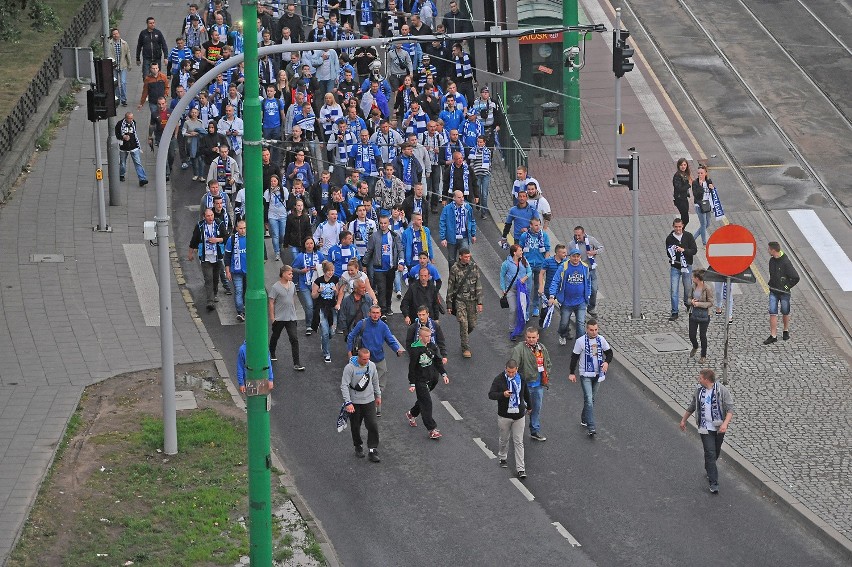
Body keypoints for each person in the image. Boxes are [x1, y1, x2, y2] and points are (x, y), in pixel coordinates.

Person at [679, 369, 735, 494]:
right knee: (710, 452)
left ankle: (709, 467)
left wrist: (725, 424)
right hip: (705, 428)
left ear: (706, 379)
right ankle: (714, 483)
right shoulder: (699, 391)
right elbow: (693, 406)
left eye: (700, 378)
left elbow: (730, 409)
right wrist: (683, 420)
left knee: (715, 452)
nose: (698, 380)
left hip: (719, 427)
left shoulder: (721, 390)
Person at [346, 305, 404, 415]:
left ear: (380, 314)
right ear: (369, 313)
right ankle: (365, 405)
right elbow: (351, 336)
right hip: (365, 361)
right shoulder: (362, 324)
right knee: (363, 383)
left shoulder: (383, 326)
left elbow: (390, 339)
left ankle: (375, 406)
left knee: (380, 385)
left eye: (377, 313)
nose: (375, 315)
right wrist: (349, 351)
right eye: (373, 312)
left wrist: (397, 349)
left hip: (379, 359)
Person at [568, 319, 613, 437]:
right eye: (591, 330)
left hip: (598, 374)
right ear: (587, 330)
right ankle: (591, 426)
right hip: (585, 375)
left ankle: (584, 418)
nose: (594, 332)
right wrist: (572, 373)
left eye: (596, 330)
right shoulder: (580, 341)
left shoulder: (601, 340)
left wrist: (607, 362)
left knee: (591, 400)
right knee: (588, 398)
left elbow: (609, 353)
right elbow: (574, 357)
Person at [488, 359, 531, 479]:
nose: (510, 374)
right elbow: (491, 394)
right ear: (505, 369)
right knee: (504, 439)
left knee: (518, 441)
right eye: (508, 372)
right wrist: (503, 394)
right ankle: (502, 457)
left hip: (519, 415)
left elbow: (525, 392)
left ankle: (521, 469)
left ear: (516, 369)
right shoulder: (499, 379)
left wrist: (530, 406)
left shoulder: (521, 378)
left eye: (513, 372)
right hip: (504, 415)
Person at [406, 326, 449, 439]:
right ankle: (432, 429)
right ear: (420, 337)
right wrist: (412, 383)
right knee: (427, 403)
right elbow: (412, 367)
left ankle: (411, 413)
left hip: (431, 378)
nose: (429, 338)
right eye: (426, 336)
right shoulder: (415, 349)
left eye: (430, 336)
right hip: (420, 380)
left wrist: (443, 374)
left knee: (422, 400)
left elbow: (437, 361)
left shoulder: (431, 345)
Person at [341, 348, 382, 462]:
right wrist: (348, 402)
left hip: (369, 400)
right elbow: (344, 385)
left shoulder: (371, 366)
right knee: (355, 426)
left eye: (368, 358)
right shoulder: (349, 368)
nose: (366, 361)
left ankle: (372, 449)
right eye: (364, 359)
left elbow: (375, 381)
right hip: (355, 402)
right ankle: (358, 446)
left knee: (373, 424)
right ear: (358, 357)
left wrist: (378, 395)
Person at [511, 327, 552, 442]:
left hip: (538, 385)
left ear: (538, 337)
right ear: (525, 337)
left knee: (536, 409)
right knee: (520, 409)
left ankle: (534, 431)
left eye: (533, 337)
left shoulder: (542, 348)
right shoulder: (519, 349)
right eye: (529, 337)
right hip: (525, 386)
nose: (531, 339)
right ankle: (515, 430)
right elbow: (513, 367)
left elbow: (548, 362)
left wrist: (547, 373)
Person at [361, 215, 405, 317]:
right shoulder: (374, 236)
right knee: (381, 289)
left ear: (388, 223)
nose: (383, 225)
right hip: (378, 268)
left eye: (385, 223)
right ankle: (383, 310)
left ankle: (388, 307)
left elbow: (400, 250)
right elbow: (369, 251)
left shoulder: (394, 236)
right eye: (381, 223)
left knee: (389, 288)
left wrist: (401, 262)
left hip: (390, 267)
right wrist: (364, 264)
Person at [548, 246, 591, 345]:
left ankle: (580, 342)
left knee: (580, 323)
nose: (576, 259)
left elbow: (588, 282)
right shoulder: (564, 266)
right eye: (573, 256)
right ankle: (562, 334)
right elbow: (555, 280)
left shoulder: (585, 267)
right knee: (564, 322)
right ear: (569, 257)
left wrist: (588, 295)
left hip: (580, 301)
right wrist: (552, 296)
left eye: (577, 256)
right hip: (566, 301)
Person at [188, 208, 228, 311]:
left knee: (215, 278)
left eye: (211, 215)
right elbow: (194, 239)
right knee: (208, 278)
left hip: (217, 256)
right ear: (204, 217)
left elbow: (226, 237)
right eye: (208, 216)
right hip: (205, 257)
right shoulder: (200, 226)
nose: (210, 218)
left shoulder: (219, 224)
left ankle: (214, 293)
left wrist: (217, 240)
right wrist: (190, 253)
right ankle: (209, 301)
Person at [446, 248, 482, 358]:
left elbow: (478, 285)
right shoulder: (455, 269)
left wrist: (480, 302)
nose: (468, 259)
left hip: (472, 301)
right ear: (460, 256)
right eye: (465, 257)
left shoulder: (474, 267)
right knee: (463, 323)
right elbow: (450, 286)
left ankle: (464, 334)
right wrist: (449, 304)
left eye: (469, 256)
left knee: (471, 325)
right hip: (460, 301)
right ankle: (465, 348)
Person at [268, 265, 306, 371]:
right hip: (280, 318)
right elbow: (271, 302)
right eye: (289, 273)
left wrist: (293, 311)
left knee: (294, 339)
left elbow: (292, 298)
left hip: (291, 318)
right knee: (275, 336)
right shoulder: (275, 287)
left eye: (292, 273)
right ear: (283, 274)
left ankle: (296, 363)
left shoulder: (292, 285)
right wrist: (272, 318)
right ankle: (272, 352)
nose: (291, 275)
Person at [765, 241, 800, 344]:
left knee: (785, 311)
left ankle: (785, 330)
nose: (767, 251)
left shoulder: (785, 262)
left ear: (773, 250)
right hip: (773, 291)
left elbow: (795, 277)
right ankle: (773, 335)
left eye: (769, 249)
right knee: (772, 312)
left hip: (784, 292)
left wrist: (786, 286)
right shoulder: (771, 261)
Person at [666, 217, 698, 321]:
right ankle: (674, 311)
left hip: (687, 266)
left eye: (680, 227)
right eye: (676, 227)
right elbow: (668, 253)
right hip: (675, 267)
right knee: (674, 290)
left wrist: (683, 250)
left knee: (688, 288)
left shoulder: (688, 236)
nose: (678, 229)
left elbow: (694, 250)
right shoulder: (670, 238)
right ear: (673, 227)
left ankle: (687, 303)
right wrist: (673, 252)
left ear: (683, 226)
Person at [292, 237, 324, 334]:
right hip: (304, 284)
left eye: (311, 243)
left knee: (315, 305)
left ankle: (315, 323)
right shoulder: (300, 256)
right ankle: (308, 325)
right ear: (304, 245)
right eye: (307, 244)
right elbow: (293, 268)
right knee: (309, 305)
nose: (310, 245)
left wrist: (318, 268)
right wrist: (301, 271)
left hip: (316, 284)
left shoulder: (319, 255)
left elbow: (325, 265)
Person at [519, 218, 550, 317]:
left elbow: (547, 250)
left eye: (539, 225)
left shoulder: (544, 235)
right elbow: (520, 250)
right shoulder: (524, 236)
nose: (538, 227)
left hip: (540, 265)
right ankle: (527, 309)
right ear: (531, 225)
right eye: (536, 225)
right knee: (528, 287)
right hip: (528, 265)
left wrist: (545, 264)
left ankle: (536, 307)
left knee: (538, 287)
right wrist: (523, 263)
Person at [500, 244, 531, 340]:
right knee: (513, 309)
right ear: (514, 252)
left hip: (521, 290)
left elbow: (529, 272)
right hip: (511, 290)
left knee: (521, 310)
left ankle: (519, 328)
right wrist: (503, 288)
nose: (522, 252)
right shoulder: (506, 264)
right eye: (520, 250)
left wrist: (524, 278)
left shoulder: (524, 260)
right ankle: (512, 330)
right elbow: (502, 275)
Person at [439, 190, 477, 266]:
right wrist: (443, 238)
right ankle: (452, 277)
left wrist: (473, 234)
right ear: (454, 198)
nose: (462, 199)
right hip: (451, 238)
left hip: (464, 237)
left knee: (465, 258)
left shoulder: (468, 207)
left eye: (462, 197)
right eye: (459, 197)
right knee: (451, 260)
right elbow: (442, 222)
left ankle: (464, 276)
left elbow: (472, 221)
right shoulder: (447, 209)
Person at [312, 260, 340, 363]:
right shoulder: (318, 281)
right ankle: (326, 353)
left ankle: (325, 342)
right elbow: (313, 295)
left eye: (332, 270)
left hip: (332, 307)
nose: (331, 272)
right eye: (329, 271)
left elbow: (337, 295)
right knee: (324, 332)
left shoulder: (336, 279)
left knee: (331, 332)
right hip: (322, 308)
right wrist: (319, 291)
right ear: (324, 271)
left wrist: (335, 290)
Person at [572, 226, 602, 317]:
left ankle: (591, 308)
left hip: (590, 269)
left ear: (584, 233)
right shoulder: (572, 244)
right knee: (579, 290)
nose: (577, 237)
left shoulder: (591, 240)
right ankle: (578, 309)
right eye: (575, 235)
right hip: (579, 269)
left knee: (593, 289)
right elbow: (568, 255)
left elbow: (601, 248)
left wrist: (594, 252)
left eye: (579, 235)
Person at [223, 220, 248, 321]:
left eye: (244, 228)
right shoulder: (232, 239)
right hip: (236, 271)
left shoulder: (250, 238)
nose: (242, 230)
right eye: (240, 228)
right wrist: (227, 271)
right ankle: (240, 312)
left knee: (246, 291)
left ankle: (245, 308)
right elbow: (227, 256)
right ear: (237, 229)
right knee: (238, 291)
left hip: (248, 271)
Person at [115, 112, 148, 186]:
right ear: (125, 118)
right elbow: (116, 134)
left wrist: (137, 145)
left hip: (133, 146)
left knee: (138, 163)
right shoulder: (120, 124)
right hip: (123, 147)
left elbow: (134, 133)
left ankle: (142, 179)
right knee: (123, 163)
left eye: (131, 118)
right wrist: (123, 137)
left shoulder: (133, 123)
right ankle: (121, 174)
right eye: (129, 118)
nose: (130, 120)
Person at [688, 270, 713, 364]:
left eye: (693, 277)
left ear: (697, 278)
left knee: (703, 335)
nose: (692, 278)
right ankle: (695, 346)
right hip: (693, 313)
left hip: (704, 315)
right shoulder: (693, 286)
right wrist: (692, 302)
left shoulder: (707, 288)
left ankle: (703, 355)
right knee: (691, 335)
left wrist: (699, 304)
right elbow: (688, 298)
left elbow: (710, 303)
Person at [107, 28, 132, 106]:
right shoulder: (109, 44)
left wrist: (129, 64)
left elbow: (128, 54)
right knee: (115, 83)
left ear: (119, 34)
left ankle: (124, 99)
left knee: (123, 82)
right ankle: (117, 98)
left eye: (117, 33)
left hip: (122, 66)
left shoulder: (124, 43)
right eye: (114, 34)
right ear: (112, 35)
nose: (115, 35)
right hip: (113, 67)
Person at [691, 164, 714, 246]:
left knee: (707, 224)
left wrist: (712, 188)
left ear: (705, 173)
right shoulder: (695, 183)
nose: (700, 175)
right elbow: (696, 195)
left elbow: (713, 194)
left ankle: (693, 238)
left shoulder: (709, 181)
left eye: (701, 173)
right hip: (699, 206)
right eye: (698, 173)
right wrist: (700, 186)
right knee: (703, 224)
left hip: (707, 205)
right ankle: (705, 243)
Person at [673, 158, 692, 228]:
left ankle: (680, 232)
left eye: (684, 164)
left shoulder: (685, 174)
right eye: (681, 165)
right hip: (679, 199)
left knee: (685, 218)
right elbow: (679, 189)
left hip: (684, 198)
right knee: (685, 218)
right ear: (678, 166)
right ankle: (679, 231)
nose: (683, 166)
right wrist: (689, 185)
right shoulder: (677, 175)